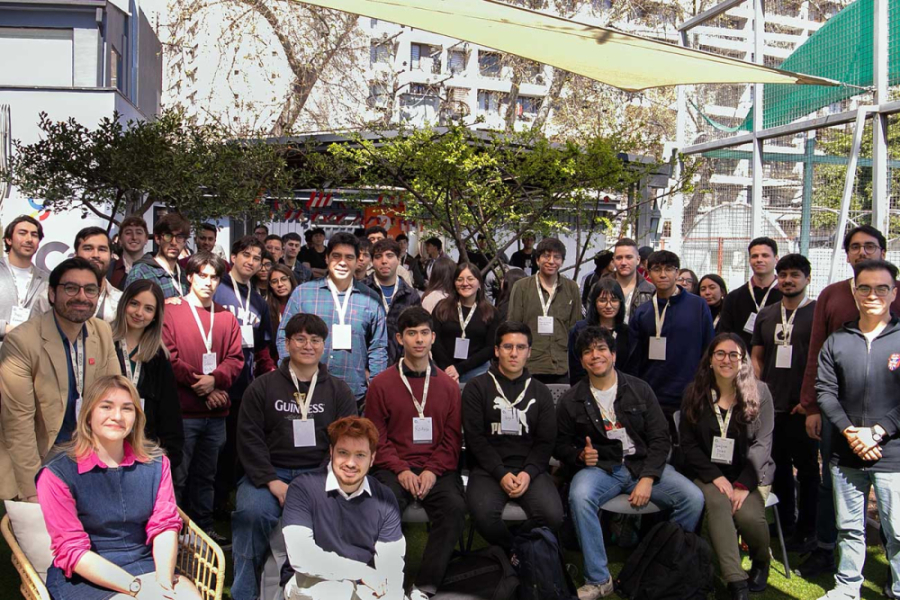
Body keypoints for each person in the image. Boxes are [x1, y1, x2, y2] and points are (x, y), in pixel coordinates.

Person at [556, 326, 704, 600]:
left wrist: (648, 478)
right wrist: (579, 455)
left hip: (642, 466)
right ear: (582, 361)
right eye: (588, 351)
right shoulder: (571, 399)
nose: (595, 355)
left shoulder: (639, 389)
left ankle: (661, 566)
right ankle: (598, 579)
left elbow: (660, 438)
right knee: (580, 495)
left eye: (601, 349)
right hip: (602, 470)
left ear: (613, 355)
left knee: (693, 498)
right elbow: (560, 444)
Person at [36, 375, 201, 600]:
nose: (117, 416)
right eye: (106, 407)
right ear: (88, 415)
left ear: (136, 416)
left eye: (127, 408)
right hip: (85, 575)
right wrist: (138, 589)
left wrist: (163, 584)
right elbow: (72, 549)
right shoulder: (57, 473)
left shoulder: (156, 463)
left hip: (146, 565)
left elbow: (164, 526)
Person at [797, 225, 900, 579]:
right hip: (839, 418)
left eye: (869, 246)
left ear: (882, 252)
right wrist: (812, 406)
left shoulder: (893, 293)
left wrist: (881, 429)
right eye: (855, 247)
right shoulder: (832, 295)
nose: (862, 252)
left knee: (893, 505)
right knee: (832, 485)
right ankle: (827, 550)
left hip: (892, 423)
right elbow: (816, 351)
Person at [231, 313, 357, 600]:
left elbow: (345, 443)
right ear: (287, 344)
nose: (308, 346)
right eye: (300, 339)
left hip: (320, 475)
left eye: (315, 340)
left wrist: (316, 482)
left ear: (324, 346)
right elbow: (249, 439)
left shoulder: (339, 391)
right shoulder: (261, 387)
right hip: (269, 475)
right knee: (251, 515)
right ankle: (244, 594)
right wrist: (271, 481)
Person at [0, 257, 121, 501]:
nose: (81, 297)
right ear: (52, 294)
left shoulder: (102, 331)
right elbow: (19, 425)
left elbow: (115, 397)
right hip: (42, 456)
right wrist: (33, 493)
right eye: (71, 288)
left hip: (88, 453)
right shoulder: (21, 342)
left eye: (90, 290)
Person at [365, 307, 465, 600]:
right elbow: (376, 438)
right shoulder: (381, 384)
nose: (419, 340)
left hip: (438, 468)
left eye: (424, 333)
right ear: (400, 338)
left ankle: (425, 586)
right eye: (411, 333)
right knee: (383, 505)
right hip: (393, 467)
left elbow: (452, 438)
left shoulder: (448, 387)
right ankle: (387, 582)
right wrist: (401, 469)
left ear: (433, 337)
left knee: (454, 508)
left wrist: (433, 470)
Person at [679, 333, 775, 600]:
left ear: (743, 360)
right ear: (710, 359)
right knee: (719, 502)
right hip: (707, 473)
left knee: (748, 516)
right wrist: (714, 476)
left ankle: (761, 560)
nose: (726, 360)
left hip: (749, 473)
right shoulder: (694, 392)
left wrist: (743, 484)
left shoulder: (761, 392)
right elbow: (688, 444)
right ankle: (736, 581)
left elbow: (762, 444)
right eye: (720, 353)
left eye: (734, 354)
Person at [162, 251, 244, 543]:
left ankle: (203, 529)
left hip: (215, 415)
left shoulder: (226, 317)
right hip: (183, 413)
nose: (208, 282)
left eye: (214, 277)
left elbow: (235, 359)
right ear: (190, 277)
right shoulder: (170, 311)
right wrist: (203, 383)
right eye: (202, 275)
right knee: (178, 476)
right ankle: (173, 531)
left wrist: (215, 380)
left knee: (206, 476)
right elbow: (168, 357)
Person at [281, 416, 405, 600]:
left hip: (362, 584)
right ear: (331, 452)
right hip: (308, 581)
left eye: (360, 455)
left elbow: (391, 563)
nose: (351, 463)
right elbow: (303, 558)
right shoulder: (303, 488)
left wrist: (392, 593)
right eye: (343, 453)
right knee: (338, 592)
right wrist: (361, 571)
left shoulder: (384, 498)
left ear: (372, 458)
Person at [463, 321, 562, 548]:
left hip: (530, 469)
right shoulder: (476, 388)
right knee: (484, 516)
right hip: (488, 470)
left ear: (529, 352)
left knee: (553, 516)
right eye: (508, 347)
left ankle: (516, 551)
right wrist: (500, 473)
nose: (514, 353)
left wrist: (528, 473)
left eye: (521, 347)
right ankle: (516, 554)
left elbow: (545, 441)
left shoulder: (540, 391)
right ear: (497, 351)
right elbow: (475, 439)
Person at [749, 254, 818, 551]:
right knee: (777, 467)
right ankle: (785, 523)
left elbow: (824, 361)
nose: (788, 280)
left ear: (807, 279)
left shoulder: (817, 313)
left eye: (795, 275)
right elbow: (757, 356)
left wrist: (810, 401)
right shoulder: (766, 314)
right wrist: (758, 393)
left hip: (802, 408)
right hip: (771, 407)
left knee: (807, 470)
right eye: (784, 275)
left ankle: (807, 530)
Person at [277, 232, 388, 403]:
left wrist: (375, 387)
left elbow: (378, 347)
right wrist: (288, 374)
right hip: (305, 390)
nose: (342, 262)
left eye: (349, 257)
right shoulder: (303, 293)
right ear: (327, 258)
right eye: (336, 256)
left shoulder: (370, 299)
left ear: (357, 261)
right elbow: (284, 335)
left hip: (353, 393)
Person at [212, 236, 277, 522]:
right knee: (213, 451)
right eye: (246, 255)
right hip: (215, 384)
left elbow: (262, 348)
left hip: (245, 388)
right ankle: (205, 509)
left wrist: (270, 375)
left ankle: (226, 502)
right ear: (234, 257)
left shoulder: (259, 301)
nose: (251, 262)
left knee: (235, 451)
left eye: (257, 258)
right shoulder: (217, 289)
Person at [627, 250, 715, 426]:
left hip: (689, 392)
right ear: (649, 273)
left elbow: (709, 348)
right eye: (656, 269)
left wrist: (705, 386)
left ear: (677, 273)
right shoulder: (643, 311)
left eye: (668, 269)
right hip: (652, 393)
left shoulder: (697, 306)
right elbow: (634, 358)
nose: (662, 274)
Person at [111, 279, 184, 469]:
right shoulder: (104, 344)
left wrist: (169, 457)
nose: (139, 313)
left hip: (144, 450)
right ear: (123, 304)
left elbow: (169, 412)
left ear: (155, 316)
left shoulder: (159, 357)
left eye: (148, 309)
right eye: (134, 304)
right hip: (105, 444)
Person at [507, 237, 581, 384]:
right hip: (529, 365)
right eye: (546, 256)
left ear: (562, 261)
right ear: (537, 260)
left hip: (561, 365)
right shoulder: (521, 287)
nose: (551, 261)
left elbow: (575, 327)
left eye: (557, 257)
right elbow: (514, 325)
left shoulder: (571, 288)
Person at [32, 227, 123, 323]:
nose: (96, 255)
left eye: (102, 249)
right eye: (88, 248)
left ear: (111, 255)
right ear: (75, 254)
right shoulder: (51, 297)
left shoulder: (121, 300)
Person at [431, 262, 498, 383]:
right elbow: (434, 340)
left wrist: (459, 368)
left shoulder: (490, 312)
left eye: (470, 279)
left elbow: (490, 348)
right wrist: (448, 369)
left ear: (479, 283)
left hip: (477, 370)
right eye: (460, 279)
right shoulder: (442, 308)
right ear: (454, 283)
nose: (465, 283)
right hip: (443, 369)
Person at [365, 238, 422, 364]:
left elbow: (416, 333)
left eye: (389, 256)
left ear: (398, 260)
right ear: (372, 261)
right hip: (366, 365)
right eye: (378, 256)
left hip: (401, 365)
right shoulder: (361, 291)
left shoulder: (410, 295)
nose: (384, 261)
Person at [718, 237, 782, 349]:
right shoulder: (733, 298)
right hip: (742, 358)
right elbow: (724, 335)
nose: (759, 260)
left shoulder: (785, 296)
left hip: (776, 357)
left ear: (776, 259)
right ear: (749, 260)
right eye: (755, 256)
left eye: (765, 255)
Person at [569, 278, 632, 384]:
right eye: (602, 300)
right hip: (587, 387)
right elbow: (576, 369)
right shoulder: (580, 330)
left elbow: (631, 369)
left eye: (614, 300)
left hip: (621, 388)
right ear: (594, 302)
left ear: (621, 302)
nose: (608, 306)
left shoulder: (627, 332)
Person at [0, 215, 49, 344]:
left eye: (34, 235)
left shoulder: (46, 280)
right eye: (22, 233)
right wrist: (5, 328)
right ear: (8, 240)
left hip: (30, 352)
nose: (29, 239)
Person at [125, 212, 191, 299]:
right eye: (168, 236)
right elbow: (131, 306)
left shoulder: (184, 275)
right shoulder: (140, 272)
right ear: (157, 239)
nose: (173, 242)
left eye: (179, 237)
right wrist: (164, 305)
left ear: (185, 241)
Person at [611, 238, 655, 324]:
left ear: (638, 260)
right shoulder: (599, 288)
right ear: (613, 260)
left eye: (629, 257)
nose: (623, 262)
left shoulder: (651, 291)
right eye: (619, 258)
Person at [266, 264, 298, 366]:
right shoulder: (266, 308)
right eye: (274, 281)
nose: (280, 284)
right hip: (274, 364)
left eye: (284, 279)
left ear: (291, 280)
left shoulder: (301, 305)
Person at [108, 215, 149, 290]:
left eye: (139, 233)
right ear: (120, 239)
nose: (134, 237)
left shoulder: (157, 270)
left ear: (146, 239)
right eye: (128, 233)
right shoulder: (109, 270)